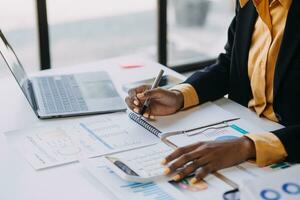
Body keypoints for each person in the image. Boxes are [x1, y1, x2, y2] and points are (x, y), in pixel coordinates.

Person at [125, 0, 300, 184]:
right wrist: (179, 96)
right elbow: (230, 63)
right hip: (243, 131)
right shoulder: (251, 3)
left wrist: (247, 146)